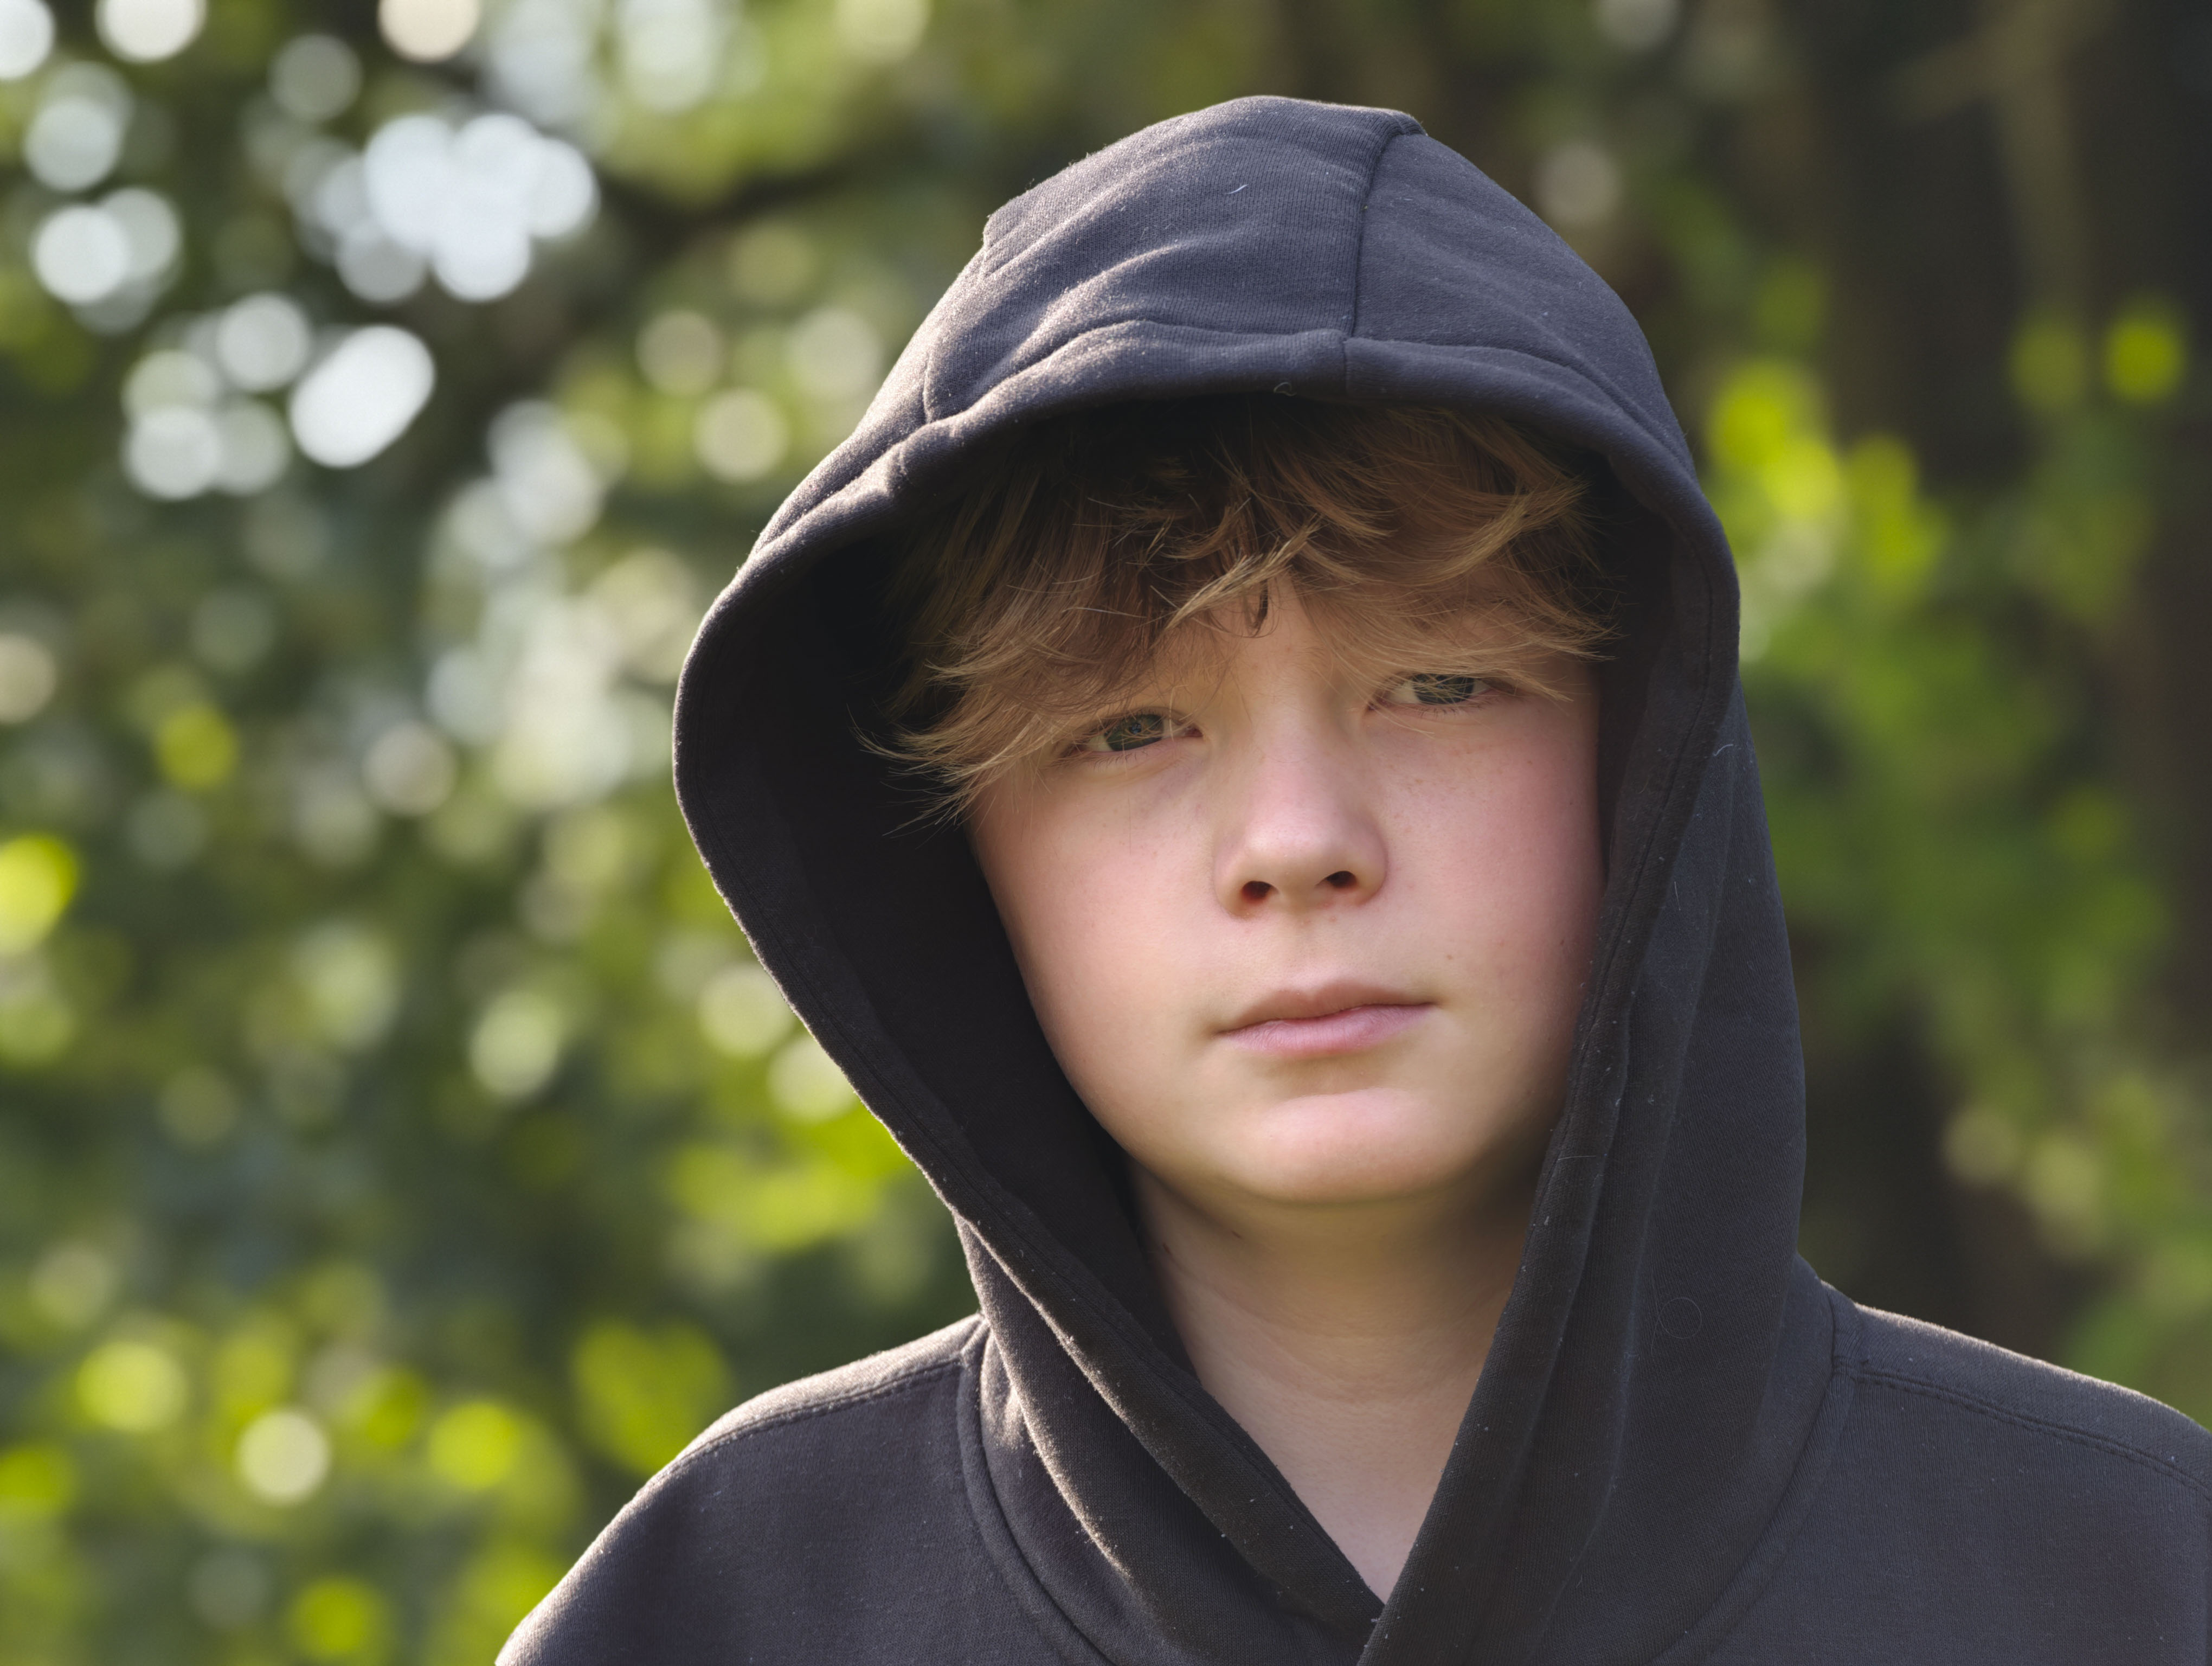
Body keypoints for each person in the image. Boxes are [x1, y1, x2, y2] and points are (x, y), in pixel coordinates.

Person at [503, 97, 2211, 1665]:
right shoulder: (711, 1615)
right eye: (1129, 730)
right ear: (960, 849)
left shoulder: (2128, 1578)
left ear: (1643, 754)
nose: (1298, 841)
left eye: (1442, 688)